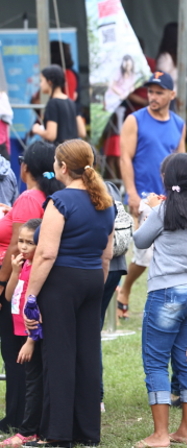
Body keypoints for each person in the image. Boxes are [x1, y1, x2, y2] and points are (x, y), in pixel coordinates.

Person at [24, 139, 116, 446]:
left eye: (55, 162)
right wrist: (96, 284)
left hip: (62, 282)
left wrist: (31, 296)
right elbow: (107, 254)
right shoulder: (104, 200)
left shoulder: (60, 201)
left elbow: (46, 254)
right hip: (91, 279)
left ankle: (59, 433)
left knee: (60, 357)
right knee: (88, 357)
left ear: (63, 167)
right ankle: (88, 432)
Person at [132, 154, 187, 448]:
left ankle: (160, 435)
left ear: (168, 178)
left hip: (166, 292)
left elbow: (140, 241)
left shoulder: (163, 209)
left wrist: (151, 210)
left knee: (155, 363)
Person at [0, 142, 62, 434]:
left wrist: (3, 284)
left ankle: (16, 416)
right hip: (38, 282)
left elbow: (16, 245)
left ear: (25, 167)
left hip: (20, 283)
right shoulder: (49, 197)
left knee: (15, 354)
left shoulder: (28, 197)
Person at [116, 72, 187, 321]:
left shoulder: (178, 124)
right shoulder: (134, 120)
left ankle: (162, 301)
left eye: (159, 92)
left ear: (171, 94)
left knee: (170, 252)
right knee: (144, 254)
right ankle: (124, 290)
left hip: (171, 196)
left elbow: (181, 162)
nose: (153, 97)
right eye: (150, 92)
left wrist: (184, 194)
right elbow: (125, 157)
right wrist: (133, 194)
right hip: (145, 196)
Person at [2, 219, 41, 447]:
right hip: (18, 330)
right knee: (25, 378)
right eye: (21, 241)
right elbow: (9, 297)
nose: (24, 247)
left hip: (30, 336)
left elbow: (37, 310)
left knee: (32, 381)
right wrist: (15, 271)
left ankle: (29, 428)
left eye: (30, 242)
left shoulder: (38, 268)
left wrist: (30, 341)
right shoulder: (24, 265)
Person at [31, 65, 85, 145]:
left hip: (59, 152)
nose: (40, 85)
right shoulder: (71, 103)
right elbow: (82, 133)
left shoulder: (52, 103)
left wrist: (37, 129)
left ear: (49, 82)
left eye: (41, 81)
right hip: (73, 152)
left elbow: (51, 135)